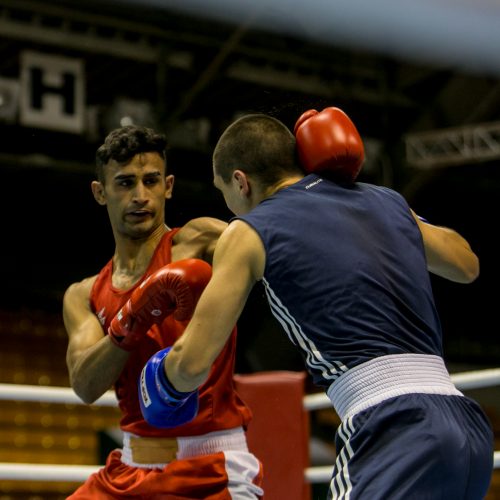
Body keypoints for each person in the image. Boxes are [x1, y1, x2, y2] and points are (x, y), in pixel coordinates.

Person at [139, 109, 494, 499]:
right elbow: (467, 265)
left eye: (224, 192)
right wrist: (390, 215)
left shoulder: (249, 230)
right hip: (467, 430)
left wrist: (160, 380)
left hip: (392, 428)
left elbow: (192, 364)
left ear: (241, 182)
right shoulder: (386, 201)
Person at [62, 125, 263, 499]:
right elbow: (85, 385)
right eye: (124, 183)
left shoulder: (200, 242)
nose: (140, 196)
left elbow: (268, 247)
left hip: (210, 468)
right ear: (100, 193)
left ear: (168, 186)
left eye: (151, 181)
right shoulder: (84, 294)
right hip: (129, 469)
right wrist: (132, 317)